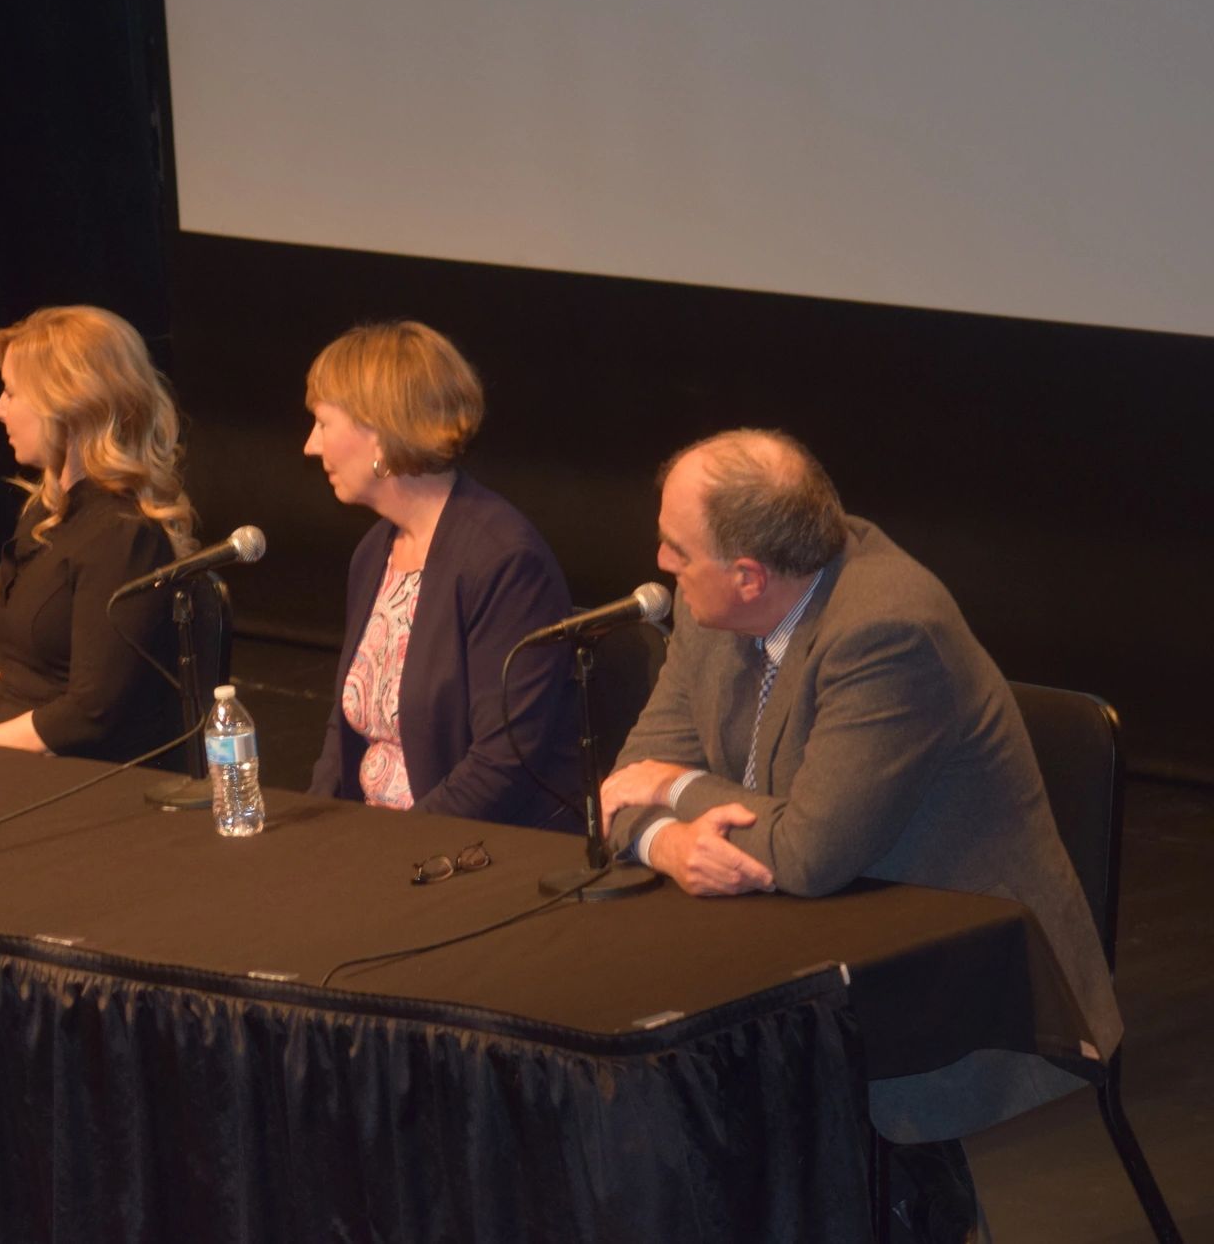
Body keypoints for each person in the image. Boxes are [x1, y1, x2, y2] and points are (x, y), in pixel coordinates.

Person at [603, 429, 1122, 1235]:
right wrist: (664, 841)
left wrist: (673, 788)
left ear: (750, 575)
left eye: (677, 548)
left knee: (717, 1083)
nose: (661, 563)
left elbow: (807, 851)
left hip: (954, 962)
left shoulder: (888, 627)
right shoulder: (714, 613)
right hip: (790, 928)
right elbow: (621, 781)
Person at [300, 321, 583, 830]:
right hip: (378, 842)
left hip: (464, 850)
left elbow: (502, 766)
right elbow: (340, 732)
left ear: (379, 430)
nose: (310, 446)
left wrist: (386, 850)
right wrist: (316, 828)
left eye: (322, 423)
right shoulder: (374, 551)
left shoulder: (504, 562)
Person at [0, 306, 193, 762]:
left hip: (72, 778)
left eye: (12, 393)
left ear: (67, 407)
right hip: (3, 757)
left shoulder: (123, 536)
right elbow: (8, 652)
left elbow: (89, 713)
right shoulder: (46, 511)